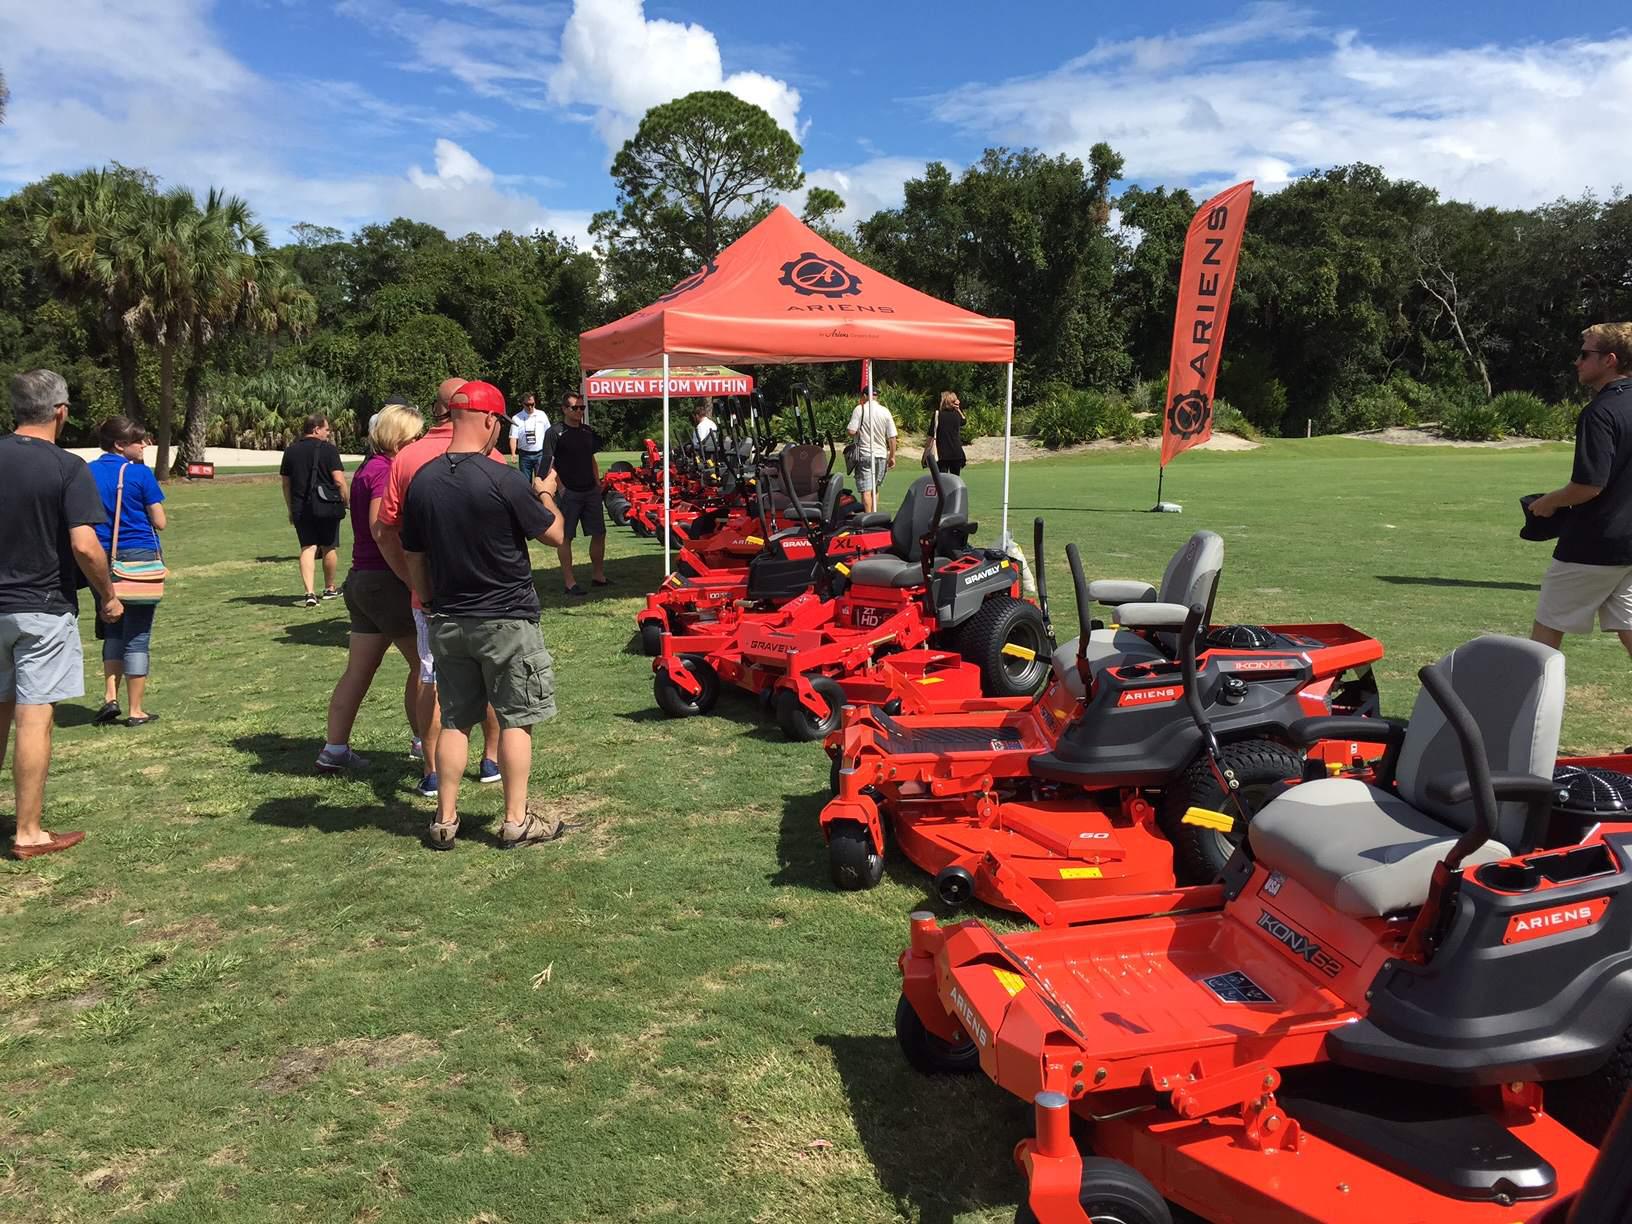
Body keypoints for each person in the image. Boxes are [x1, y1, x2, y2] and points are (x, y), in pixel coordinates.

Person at [399, 380, 566, 849]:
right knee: (516, 718)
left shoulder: (423, 480)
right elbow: (555, 535)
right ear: (491, 420)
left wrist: (429, 600)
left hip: (448, 619)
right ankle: (515, 821)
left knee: (455, 720)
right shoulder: (502, 478)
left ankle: (444, 819)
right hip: (507, 620)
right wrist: (546, 492)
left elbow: (413, 554)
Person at [1, 370, 123, 860]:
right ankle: (28, 831)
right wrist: (108, 594)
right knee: (34, 716)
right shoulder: (68, 467)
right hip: (42, 607)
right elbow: (85, 545)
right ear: (61, 412)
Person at [375, 376, 505, 797]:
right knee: (489, 675)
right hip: (487, 593)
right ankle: (490, 758)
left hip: (430, 595)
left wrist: (412, 579)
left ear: (438, 408)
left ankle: (432, 770)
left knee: (431, 676)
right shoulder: (494, 457)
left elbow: (384, 530)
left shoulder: (408, 457)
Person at [316, 404, 427, 772]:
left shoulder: (367, 467)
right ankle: (424, 742)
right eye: (414, 437)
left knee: (359, 670)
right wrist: (411, 579)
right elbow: (383, 531)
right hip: (384, 580)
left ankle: (334, 749)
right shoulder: (385, 471)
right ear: (398, 438)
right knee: (425, 667)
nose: (419, 443)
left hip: (361, 580)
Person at [1530, 322, 1632, 659]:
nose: (1577, 361)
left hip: (1593, 544)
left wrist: (1549, 502)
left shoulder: (1599, 413)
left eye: (1585, 354)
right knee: (1629, 627)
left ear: (1610, 360)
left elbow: (1589, 485)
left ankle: (1525, 710)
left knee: (1546, 630)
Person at [88, 416, 166, 726]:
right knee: (138, 633)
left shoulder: (87, 472)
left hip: (99, 559)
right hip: (138, 557)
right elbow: (160, 521)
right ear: (120, 444)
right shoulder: (139, 474)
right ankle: (136, 710)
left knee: (112, 627)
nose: (146, 445)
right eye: (140, 440)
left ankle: (110, 696)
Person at [279, 413, 348, 608]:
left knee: (308, 547)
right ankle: (329, 588)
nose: (328, 433)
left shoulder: (291, 451)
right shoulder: (329, 450)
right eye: (326, 429)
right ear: (316, 429)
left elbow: (286, 483)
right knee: (329, 546)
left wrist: (291, 507)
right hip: (327, 505)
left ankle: (309, 593)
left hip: (301, 506)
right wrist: (345, 500)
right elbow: (339, 480)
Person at [543, 391, 607, 595]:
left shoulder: (587, 432)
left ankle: (598, 575)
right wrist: (561, 488)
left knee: (599, 533)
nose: (579, 411)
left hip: (590, 491)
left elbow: (591, 459)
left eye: (582, 407)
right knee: (565, 537)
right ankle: (570, 582)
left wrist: (597, 483)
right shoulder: (555, 433)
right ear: (564, 409)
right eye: (574, 408)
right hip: (569, 492)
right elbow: (549, 463)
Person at [846, 383, 898, 513]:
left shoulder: (860, 409)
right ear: (876, 396)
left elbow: (851, 430)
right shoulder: (885, 411)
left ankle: (868, 517)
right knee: (875, 488)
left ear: (864, 396)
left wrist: (859, 432)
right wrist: (892, 456)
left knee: (866, 489)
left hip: (865, 453)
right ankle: (874, 516)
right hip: (881, 454)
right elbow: (892, 437)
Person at [509, 392, 550, 485]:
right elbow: (513, 437)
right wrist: (513, 453)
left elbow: (548, 433)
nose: (530, 407)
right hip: (524, 456)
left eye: (532, 404)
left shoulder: (542, 415)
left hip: (540, 453)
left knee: (541, 483)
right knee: (525, 484)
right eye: (527, 405)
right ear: (522, 404)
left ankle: (540, 499)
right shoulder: (516, 418)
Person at [933, 391, 968, 476]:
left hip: (943, 453)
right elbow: (964, 420)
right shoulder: (956, 415)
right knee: (955, 480)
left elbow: (931, 434)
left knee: (943, 481)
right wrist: (958, 409)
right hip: (956, 452)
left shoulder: (938, 415)